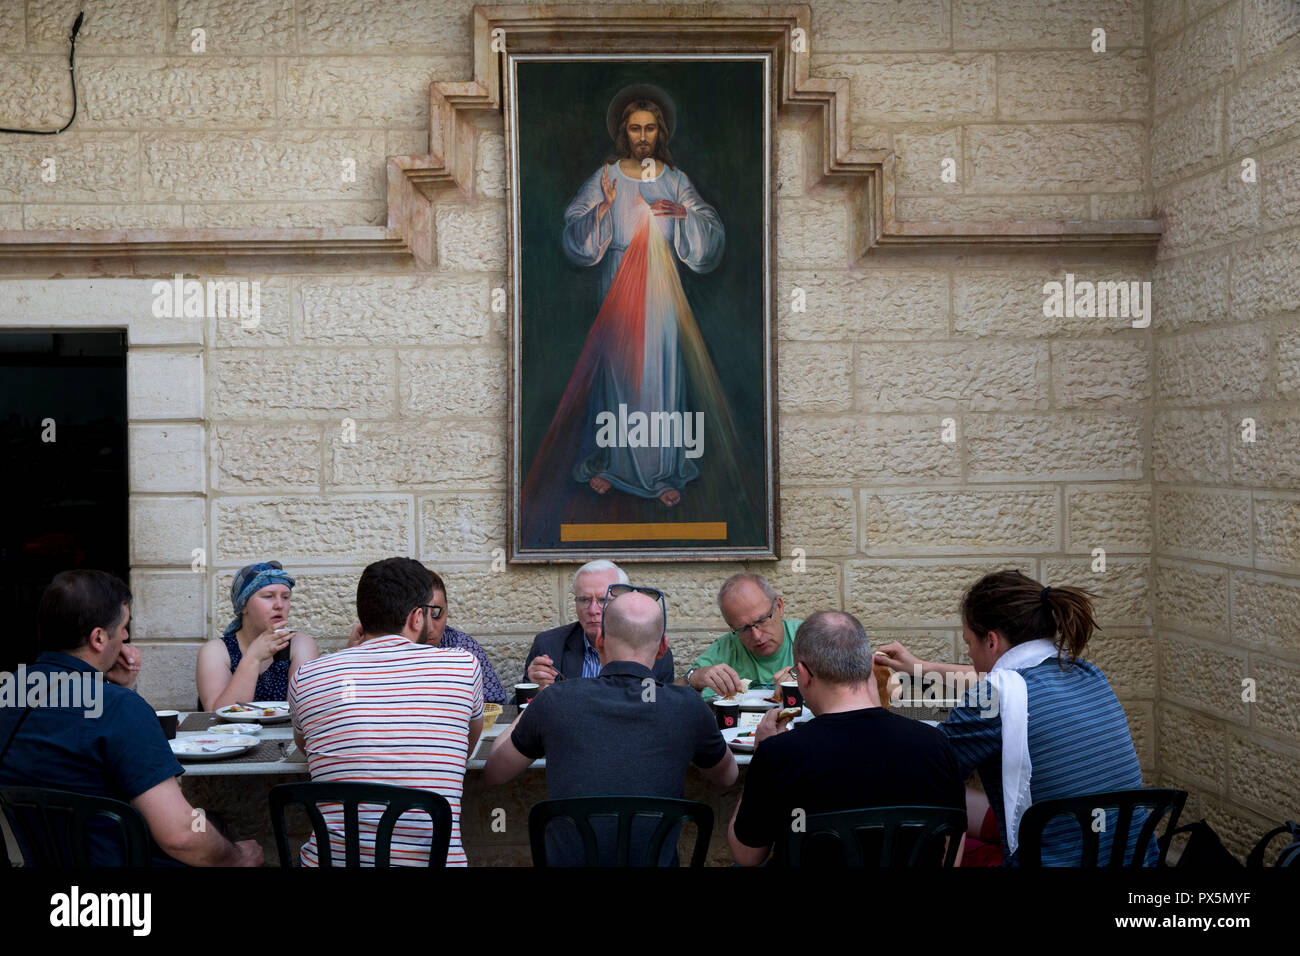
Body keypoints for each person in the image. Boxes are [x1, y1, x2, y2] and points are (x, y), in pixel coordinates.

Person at [873, 569, 1150, 867]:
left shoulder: (994, 697)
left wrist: (881, 706)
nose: (969, 655)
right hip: (1133, 859)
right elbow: (1000, 681)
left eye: (968, 644)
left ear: (991, 641)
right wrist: (921, 667)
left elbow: (920, 772)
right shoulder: (1085, 672)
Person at [0, 570, 262, 867]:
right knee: (211, 829)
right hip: (119, 892)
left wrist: (120, 688)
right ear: (98, 637)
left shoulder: (11, 690)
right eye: (123, 627)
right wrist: (238, 858)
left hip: (43, 863)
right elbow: (181, 835)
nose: (125, 637)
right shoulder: (119, 708)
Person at [485, 585, 737, 865]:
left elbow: (496, 771)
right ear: (663, 647)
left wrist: (536, 701)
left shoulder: (556, 700)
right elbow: (727, 776)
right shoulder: (689, 706)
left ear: (600, 640)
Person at [728, 611, 966, 866]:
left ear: (803, 674)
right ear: (867, 664)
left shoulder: (778, 754)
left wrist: (760, 755)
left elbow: (747, 856)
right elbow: (952, 850)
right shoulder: (937, 744)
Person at [289, 557, 483, 867]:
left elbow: (306, 748)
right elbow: (467, 747)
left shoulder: (309, 675)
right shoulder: (462, 667)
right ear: (417, 617)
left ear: (363, 616)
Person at [525, 559, 674, 686]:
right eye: (584, 600)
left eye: (603, 600)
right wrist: (534, 689)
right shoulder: (549, 646)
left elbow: (658, 706)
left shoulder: (652, 649)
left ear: (623, 601)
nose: (593, 609)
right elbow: (518, 707)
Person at [196, 560, 318, 711]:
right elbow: (217, 715)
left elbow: (299, 713)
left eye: (285, 597)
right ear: (243, 606)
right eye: (268, 596)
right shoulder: (216, 651)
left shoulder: (299, 644)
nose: (279, 605)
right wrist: (253, 657)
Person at [684, 572, 801, 701]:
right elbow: (670, 695)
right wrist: (695, 677)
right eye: (743, 628)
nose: (756, 636)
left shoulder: (808, 637)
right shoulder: (726, 648)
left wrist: (801, 676)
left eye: (762, 620)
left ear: (779, 607)